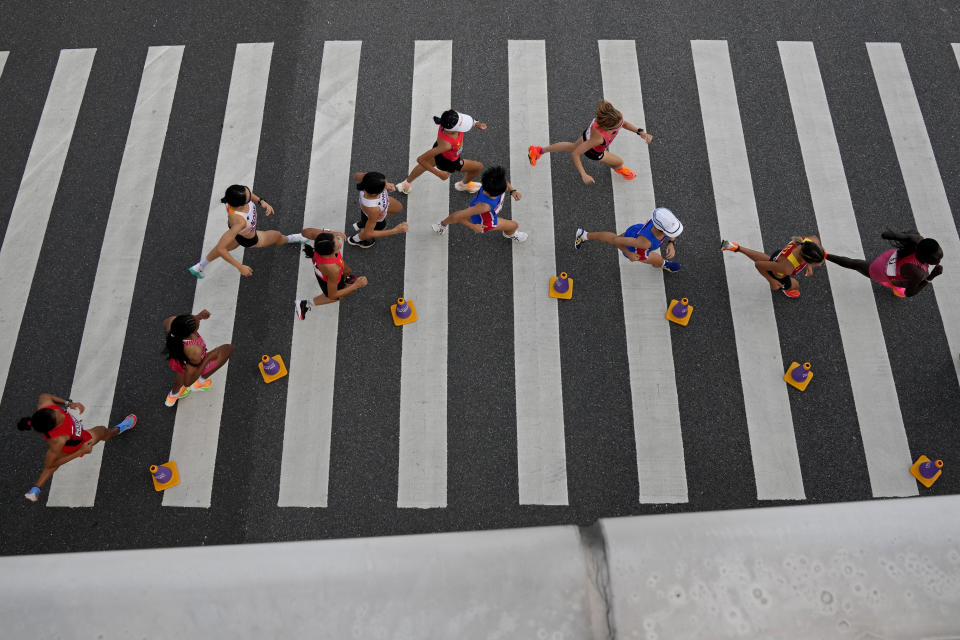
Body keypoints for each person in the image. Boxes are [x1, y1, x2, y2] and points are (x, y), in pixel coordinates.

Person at [18, 393, 136, 502]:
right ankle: (120, 428)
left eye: (55, 411)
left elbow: (45, 395)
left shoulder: (46, 404)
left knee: (51, 467)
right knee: (102, 431)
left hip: (73, 438)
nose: (60, 412)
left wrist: (69, 404)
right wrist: (81, 451)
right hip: (77, 444)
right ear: (53, 427)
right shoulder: (58, 440)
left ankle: (35, 489)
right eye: (58, 416)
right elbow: (50, 464)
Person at [188, 184, 309, 279]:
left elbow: (250, 195)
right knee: (277, 236)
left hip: (240, 234)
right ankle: (293, 238)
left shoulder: (235, 198)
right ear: (240, 205)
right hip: (251, 239)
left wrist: (261, 201)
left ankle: (200, 266)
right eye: (248, 197)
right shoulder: (239, 222)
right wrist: (240, 267)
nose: (250, 194)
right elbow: (221, 248)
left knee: (225, 246)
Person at [528, 100, 653, 185]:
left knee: (571, 146)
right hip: (593, 151)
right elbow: (576, 154)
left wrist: (640, 132)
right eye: (617, 126)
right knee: (618, 162)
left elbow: (623, 123)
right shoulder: (598, 138)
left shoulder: (609, 119)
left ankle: (538, 150)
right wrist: (584, 174)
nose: (621, 125)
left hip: (586, 136)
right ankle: (620, 170)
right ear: (608, 128)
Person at [824, 230, 943, 298]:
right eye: (936, 258)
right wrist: (931, 276)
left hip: (892, 257)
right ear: (924, 256)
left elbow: (904, 236)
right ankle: (824, 255)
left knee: (902, 280)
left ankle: (894, 284)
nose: (939, 259)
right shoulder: (917, 272)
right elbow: (910, 293)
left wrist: (891, 235)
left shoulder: (918, 240)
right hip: (881, 270)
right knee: (855, 264)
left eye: (940, 255)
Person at [396, 109, 487, 195]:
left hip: (439, 149)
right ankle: (463, 185)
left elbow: (463, 117)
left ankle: (406, 184)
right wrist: (439, 174)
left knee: (424, 166)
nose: (464, 125)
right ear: (452, 130)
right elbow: (420, 159)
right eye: (462, 125)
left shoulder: (452, 117)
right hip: (449, 162)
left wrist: (475, 123)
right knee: (478, 167)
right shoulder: (446, 145)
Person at [430, 166, 527, 242]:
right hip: (485, 222)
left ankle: (441, 226)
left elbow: (505, 182)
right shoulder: (484, 206)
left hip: (476, 210)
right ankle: (510, 234)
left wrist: (513, 191)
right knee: (514, 225)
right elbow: (458, 216)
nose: (506, 185)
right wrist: (473, 227)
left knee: (467, 214)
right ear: (500, 192)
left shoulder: (491, 184)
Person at [574, 207, 682, 272]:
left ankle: (584, 235)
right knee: (656, 259)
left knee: (612, 238)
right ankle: (663, 263)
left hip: (636, 231)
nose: (673, 234)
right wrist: (627, 253)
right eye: (671, 232)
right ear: (663, 231)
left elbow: (670, 231)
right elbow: (617, 241)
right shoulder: (643, 243)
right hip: (636, 248)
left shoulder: (660, 220)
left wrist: (671, 243)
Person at [163, 310, 234, 407]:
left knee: (178, 382)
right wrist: (207, 358)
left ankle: (172, 397)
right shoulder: (195, 350)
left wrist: (198, 317)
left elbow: (178, 322)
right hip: (190, 363)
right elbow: (188, 381)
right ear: (191, 332)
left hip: (179, 360)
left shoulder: (172, 322)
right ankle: (198, 383)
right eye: (197, 324)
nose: (198, 320)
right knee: (227, 349)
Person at [720, 236, 826, 298]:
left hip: (779, 256)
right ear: (807, 259)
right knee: (795, 285)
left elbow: (814, 240)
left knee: (769, 260)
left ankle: (735, 247)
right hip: (779, 272)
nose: (821, 263)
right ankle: (787, 290)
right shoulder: (787, 268)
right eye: (818, 263)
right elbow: (759, 265)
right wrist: (771, 280)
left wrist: (809, 266)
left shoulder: (812, 241)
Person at [296, 229, 368, 320]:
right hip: (328, 279)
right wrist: (356, 285)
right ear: (331, 251)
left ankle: (346, 278)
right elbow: (333, 295)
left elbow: (304, 232)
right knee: (340, 296)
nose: (339, 241)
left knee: (347, 270)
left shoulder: (321, 240)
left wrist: (333, 233)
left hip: (325, 266)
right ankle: (304, 304)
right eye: (338, 244)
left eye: (336, 238)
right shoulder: (333, 270)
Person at [347, 171, 409, 249]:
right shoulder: (373, 209)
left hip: (375, 211)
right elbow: (368, 233)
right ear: (376, 193)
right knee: (366, 233)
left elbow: (356, 175)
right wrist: (396, 230)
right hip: (373, 217)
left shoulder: (368, 180)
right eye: (384, 186)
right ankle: (355, 240)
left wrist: (386, 184)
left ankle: (363, 223)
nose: (386, 184)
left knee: (398, 207)